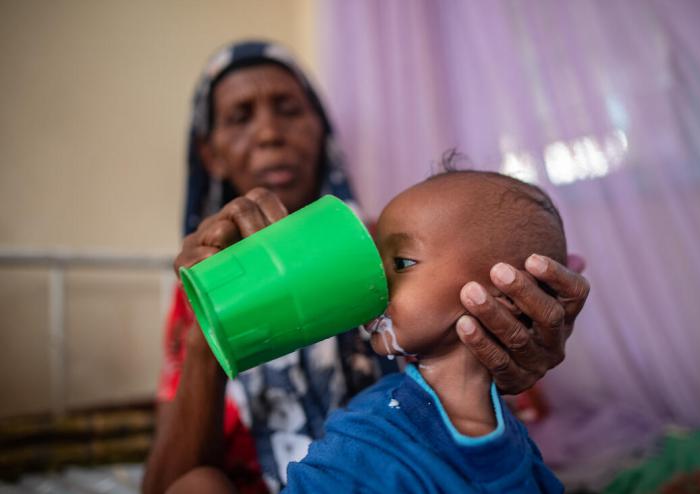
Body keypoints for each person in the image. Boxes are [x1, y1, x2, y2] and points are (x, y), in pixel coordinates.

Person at [143, 40, 590, 494]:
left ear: (321, 129)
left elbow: (500, 403)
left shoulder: (417, 243)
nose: (269, 133)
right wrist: (213, 328)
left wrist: (518, 338)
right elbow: (165, 485)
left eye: (289, 109)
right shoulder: (202, 289)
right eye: (241, 117)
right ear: (212, 155)